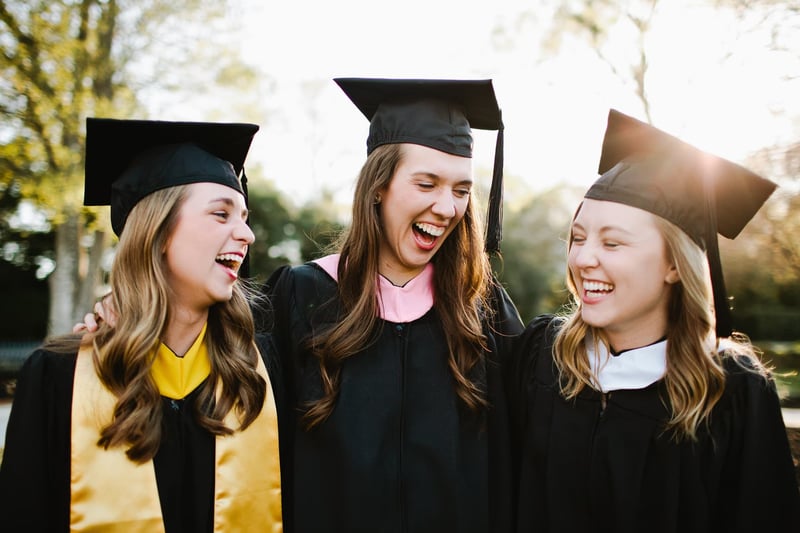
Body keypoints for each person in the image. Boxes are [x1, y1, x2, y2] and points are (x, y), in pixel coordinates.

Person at [507, 109, 800, 532]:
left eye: (613, 242)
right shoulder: (541, 357)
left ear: (674, 265)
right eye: (578, 236)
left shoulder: (731, 393)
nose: (583, 258)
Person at [265, 78, 524, 533]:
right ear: (378, 186)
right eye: (427, 183)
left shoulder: (483, 314)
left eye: (462, 190)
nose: (447, 207)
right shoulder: (301, 298)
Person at [0, 118, 282, 532]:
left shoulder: (262, 371)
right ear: (159, 231)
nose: (247, 234)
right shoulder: (60, 377)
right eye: (221, 214)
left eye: (243, 217)